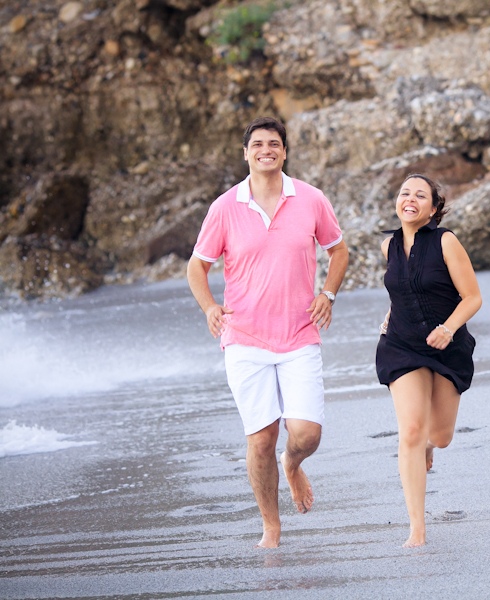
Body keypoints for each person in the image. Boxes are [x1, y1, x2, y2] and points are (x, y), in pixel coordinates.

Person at [186, 116, 349, 549]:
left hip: (299, 333)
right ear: (245, 153)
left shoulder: (311, 199)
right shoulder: (224, 207)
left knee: (306, 434)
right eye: (257, 144)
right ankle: (271, 527)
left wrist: (328, 293)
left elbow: (338, 250)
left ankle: (293, 465)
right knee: (261, 438)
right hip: (244, 339)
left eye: (273, 143)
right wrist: (209, 307)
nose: (266, 150)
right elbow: (197, 265)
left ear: (284, 151)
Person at [375, 173, 482, 548]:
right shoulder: (389, 245)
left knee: (439, 436)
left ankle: (430, 446)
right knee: (410, 432)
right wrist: (391, 313)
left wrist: (449, 329)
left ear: (433, 208)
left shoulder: (446, 241)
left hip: (446, 346)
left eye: (420, 195)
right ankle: (417, 528)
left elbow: (472, 297)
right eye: (405, 193)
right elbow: (402, 288)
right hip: (401, 345)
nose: (410, 199)